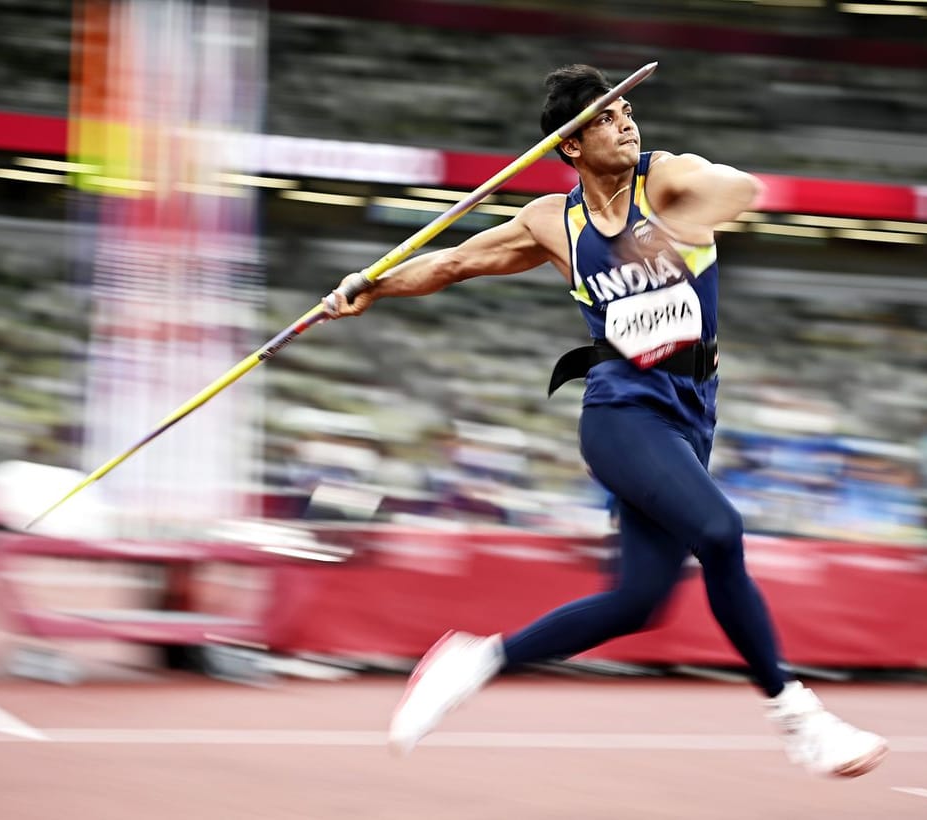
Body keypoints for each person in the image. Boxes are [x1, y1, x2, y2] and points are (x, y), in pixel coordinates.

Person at [322, 64, 888, 778]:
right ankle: (799, 717)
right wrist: (371, 286)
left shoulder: (670, 180)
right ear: (570, 145)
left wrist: (679, 222)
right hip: (621, 408)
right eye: (606, 116)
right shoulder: (553, 223)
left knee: (637, 603)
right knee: (720, 531)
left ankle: (478, 659)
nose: (626, 121)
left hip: (691, 413)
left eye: (627, 109)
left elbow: (741, 190)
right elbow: (458, 262)